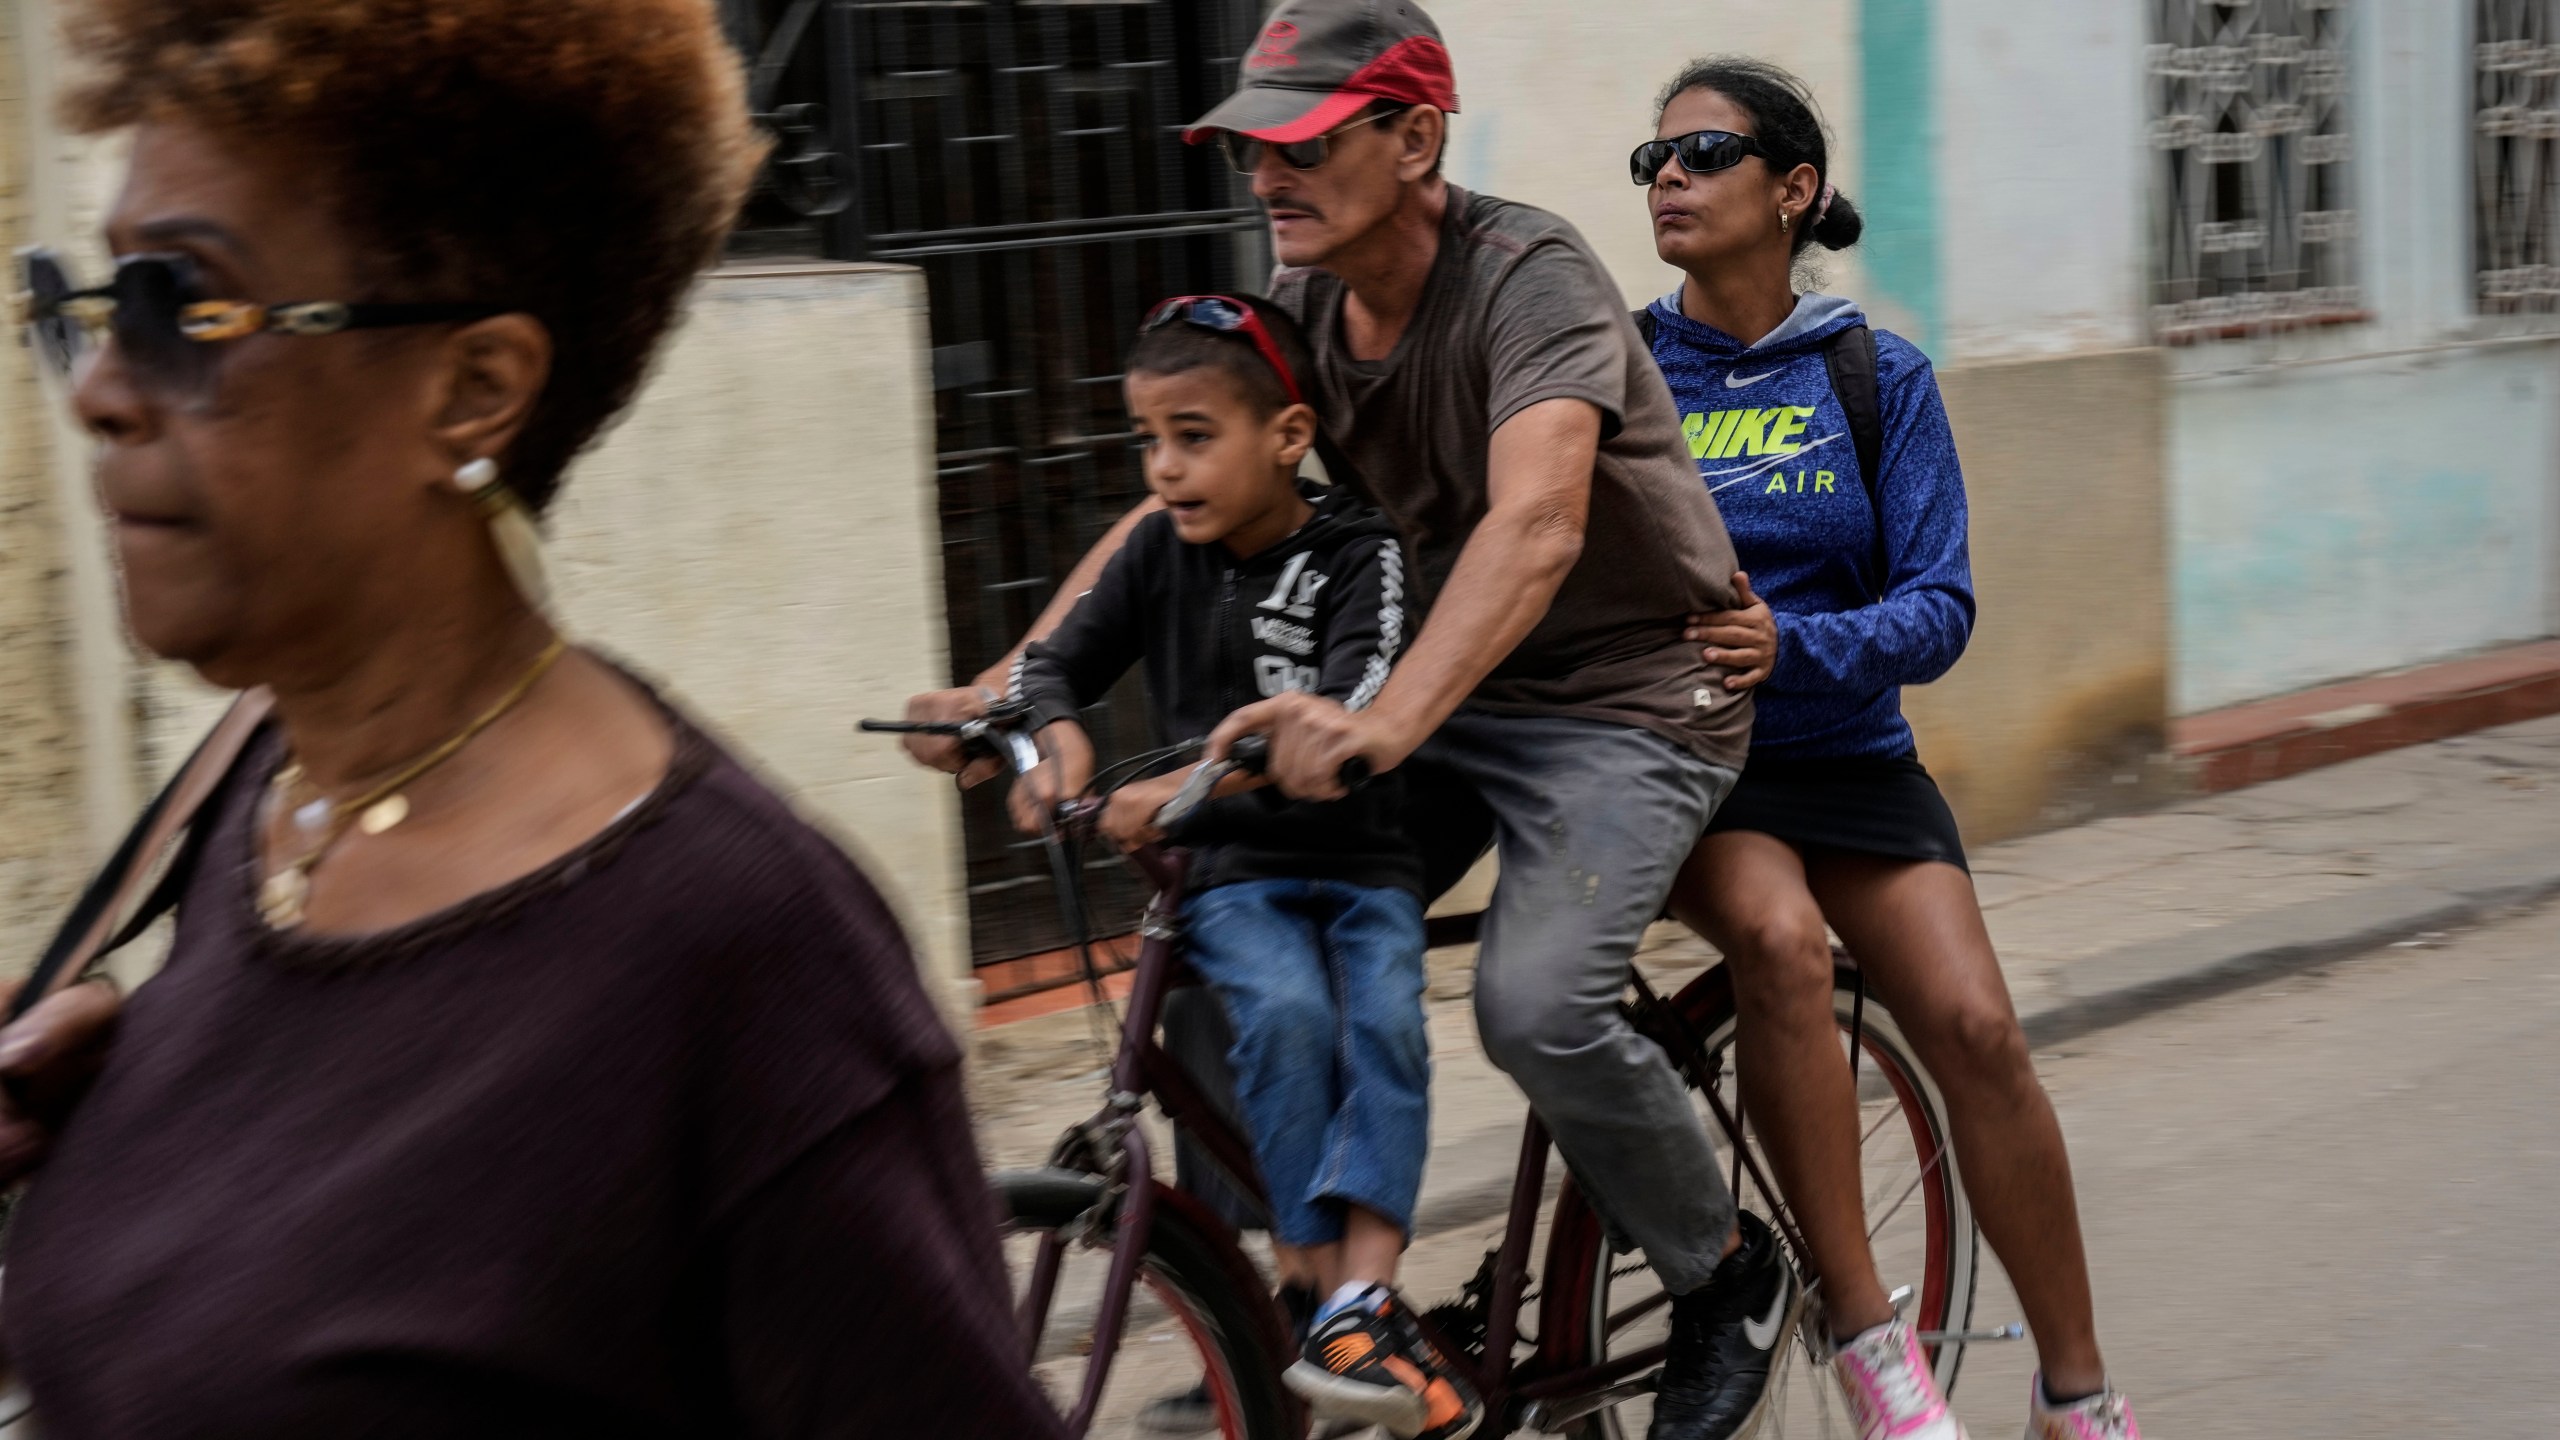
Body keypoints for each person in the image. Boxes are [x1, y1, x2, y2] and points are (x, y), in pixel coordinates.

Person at [0, 2, 1065, 1435]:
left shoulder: (748, 969)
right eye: (94, 302)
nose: (108, 394)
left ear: (474, 388)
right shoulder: (248, 799)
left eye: (187, 307)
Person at [911, 4, 1791, 1437]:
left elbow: (1540, 520)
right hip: (1439, 685)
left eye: (1304, 141)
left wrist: (1379, 723)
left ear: (1416, 138)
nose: (1267, 173)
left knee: (1535, 1005)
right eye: (1253, 144)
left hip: (1629, 696)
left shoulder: (1530, 274)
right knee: (1212, 913)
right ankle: (1293, 1328)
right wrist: (1023, 683)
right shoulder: (1303, 303)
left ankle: (1725, 1272)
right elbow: (1179, 502)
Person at [1638, 57, 2141, 1440]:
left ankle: (2078, 1394)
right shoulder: (1620, 372)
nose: (1666, 177)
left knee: (1978, 1028)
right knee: (1786, 948)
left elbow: (1941, 606)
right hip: (1706, 771)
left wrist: (1802, 646)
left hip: (1853, 760)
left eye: (1703, 153)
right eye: (1653, 160)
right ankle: (1872, 1344)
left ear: (1792, 191)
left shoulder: (1878, 375)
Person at [1009, 293, 1479, 1440]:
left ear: (1286, 434)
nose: (1163, 469)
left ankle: (1359, 1298)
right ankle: (1327, 1304)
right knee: (1278, 1015)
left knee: (1383, 1028)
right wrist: (1050, 742)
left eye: (1192, 435)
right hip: (1231, 880)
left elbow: (1365, 691)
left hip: (1364, 864)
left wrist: (1208, 778)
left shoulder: (1357, 547)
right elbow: (1047, 672)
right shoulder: (1153, 552)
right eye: (1147, 441)